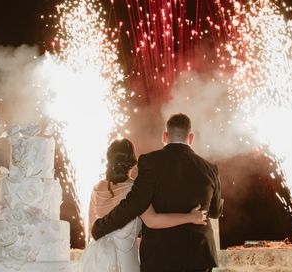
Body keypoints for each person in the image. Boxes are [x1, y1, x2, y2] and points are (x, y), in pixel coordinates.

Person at [91, 113, 223, 272]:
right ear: (191, 137)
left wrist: (101, 227)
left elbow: (134, 204)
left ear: (165, 136)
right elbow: (215, 212)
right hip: (199, 255)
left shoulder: (150, 162)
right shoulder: (210, 168)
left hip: (160, 256)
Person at [80, 137, 207, 272]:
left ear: (109, 159)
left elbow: (91, 229)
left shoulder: (96, 188)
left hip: (97, 262)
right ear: (132, 162)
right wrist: (191, 217)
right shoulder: (135, 189)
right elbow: (152, 221)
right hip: (125, 262)